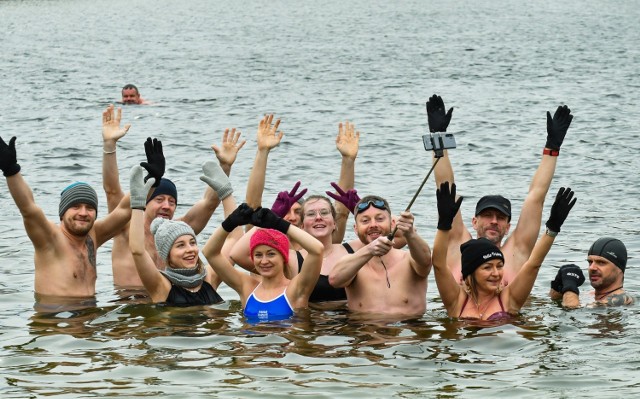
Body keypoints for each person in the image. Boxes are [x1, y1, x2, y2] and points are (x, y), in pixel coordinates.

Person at [430, 94, 574, 285]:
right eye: (487, 215)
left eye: (500, 218)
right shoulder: (458, 245)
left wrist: (552, 148)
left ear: (508, 227)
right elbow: (445, 187)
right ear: (474, 221)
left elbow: (536, 197)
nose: (494, 221)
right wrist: (437, 138)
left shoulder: (516, 251)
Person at [101, 104, 245, 287]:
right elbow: (112, 191)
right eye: (159, 200)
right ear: (145, 201)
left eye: (172, 202)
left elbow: (209, 203)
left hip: (169, 303)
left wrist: (224, 166)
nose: (167, 206)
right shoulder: (126, 228)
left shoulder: (179, 232)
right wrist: (109, 145)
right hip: (129, 303)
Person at [230, 116, 359, 306]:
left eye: (324, 213)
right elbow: (252, 208)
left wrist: (348, 161)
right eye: (310, 214)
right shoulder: (285, 258)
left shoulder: (347, 249)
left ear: (333, 223)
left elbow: (345, 212)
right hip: (308, 324)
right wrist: (262, 152)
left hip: (347, 328)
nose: (318, 218)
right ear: (303, 224)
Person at [0, 135, 135, 298]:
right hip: (56, 318)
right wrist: (11, 171)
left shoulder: (93, 237)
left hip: (89, 316)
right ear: (62, 213)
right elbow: (28, 208)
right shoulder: (50, 239)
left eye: (90, 208)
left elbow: (125, 210)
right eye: (75, 207)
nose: (83, 213)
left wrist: (152, 179)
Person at [432, 182, 576, 321]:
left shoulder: (509, 299)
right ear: (471, 271)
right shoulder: (456, 300)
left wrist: (552, 228)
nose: (496, 273)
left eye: (499, 266)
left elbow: (533, 264)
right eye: (487, 267)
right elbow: (438, 265)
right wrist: (444, 224)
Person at [128, 162, 238, 306]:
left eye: (192, 242)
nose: (190, 249)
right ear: (167, 255)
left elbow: (234, 239)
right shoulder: (162, 286)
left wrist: (226, 194)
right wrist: (137, 205)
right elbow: (137, 251)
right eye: (180, 245)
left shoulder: (209, 279)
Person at [203, 204, 324, 322]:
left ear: (283, 257)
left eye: (271, 254)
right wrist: (229, 223)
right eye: (258, 255)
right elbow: (209, 253)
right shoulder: (247, 287)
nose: (264, 261)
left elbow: (317, 250)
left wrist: (279, 223)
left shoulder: (296, 289)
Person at [328, 195, 432, 317]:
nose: (373, 225)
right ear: (356, 229)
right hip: (365, 332)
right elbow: (335, 280)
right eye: (365, 221)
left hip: (406, 331)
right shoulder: (351, 263)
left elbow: (426, 261)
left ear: (393, 223)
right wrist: (369, 250)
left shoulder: (409, 259)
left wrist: (410, 233)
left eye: (380, 219)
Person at [549, 238, 633, 307]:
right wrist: (558, 285)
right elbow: (554, 302)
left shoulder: (621, 299)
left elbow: (572, 313)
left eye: (601, 262)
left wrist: (570, 287)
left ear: (619, 268)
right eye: (590, 262)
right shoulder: (589, 295)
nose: (592, 268)